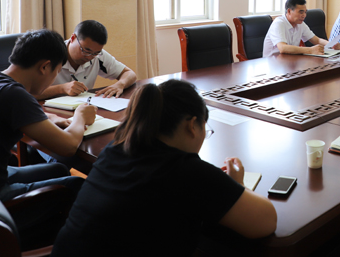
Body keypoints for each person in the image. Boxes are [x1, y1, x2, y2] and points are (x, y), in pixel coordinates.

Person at [51, 79, 277, 257]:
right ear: (192, 125)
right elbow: (265, 222)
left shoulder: (115, 149)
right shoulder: (188, 171)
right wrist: (238, 185)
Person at [0, 29, 96, 234]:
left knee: (58, 170)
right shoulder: (15, 96)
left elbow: (12, 111)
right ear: (45, 66)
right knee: (78, 185)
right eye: (56, 72)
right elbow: (68, 146)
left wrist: (52, 119)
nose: (54, 80)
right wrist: (80, 116)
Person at [38, 20, 137, 99]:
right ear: (73, 38)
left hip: (81, 108)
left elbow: (129, 73)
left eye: (95, 53)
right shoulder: (49, 55)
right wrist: (61, 88)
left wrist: (120, 84)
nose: (89, 57)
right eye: (86, 50)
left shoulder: (98, 56)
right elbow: (29, 93)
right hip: (47, 111)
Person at [263, 0, 336, 57]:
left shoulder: (300, 24)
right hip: (273, 63)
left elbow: (316, 40)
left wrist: (331, 45)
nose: (304, 15)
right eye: (301, 12)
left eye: (305, 12)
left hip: (290, 60)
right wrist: (310, 50)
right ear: (289, 11)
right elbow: (282, 48)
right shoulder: (278, 23)